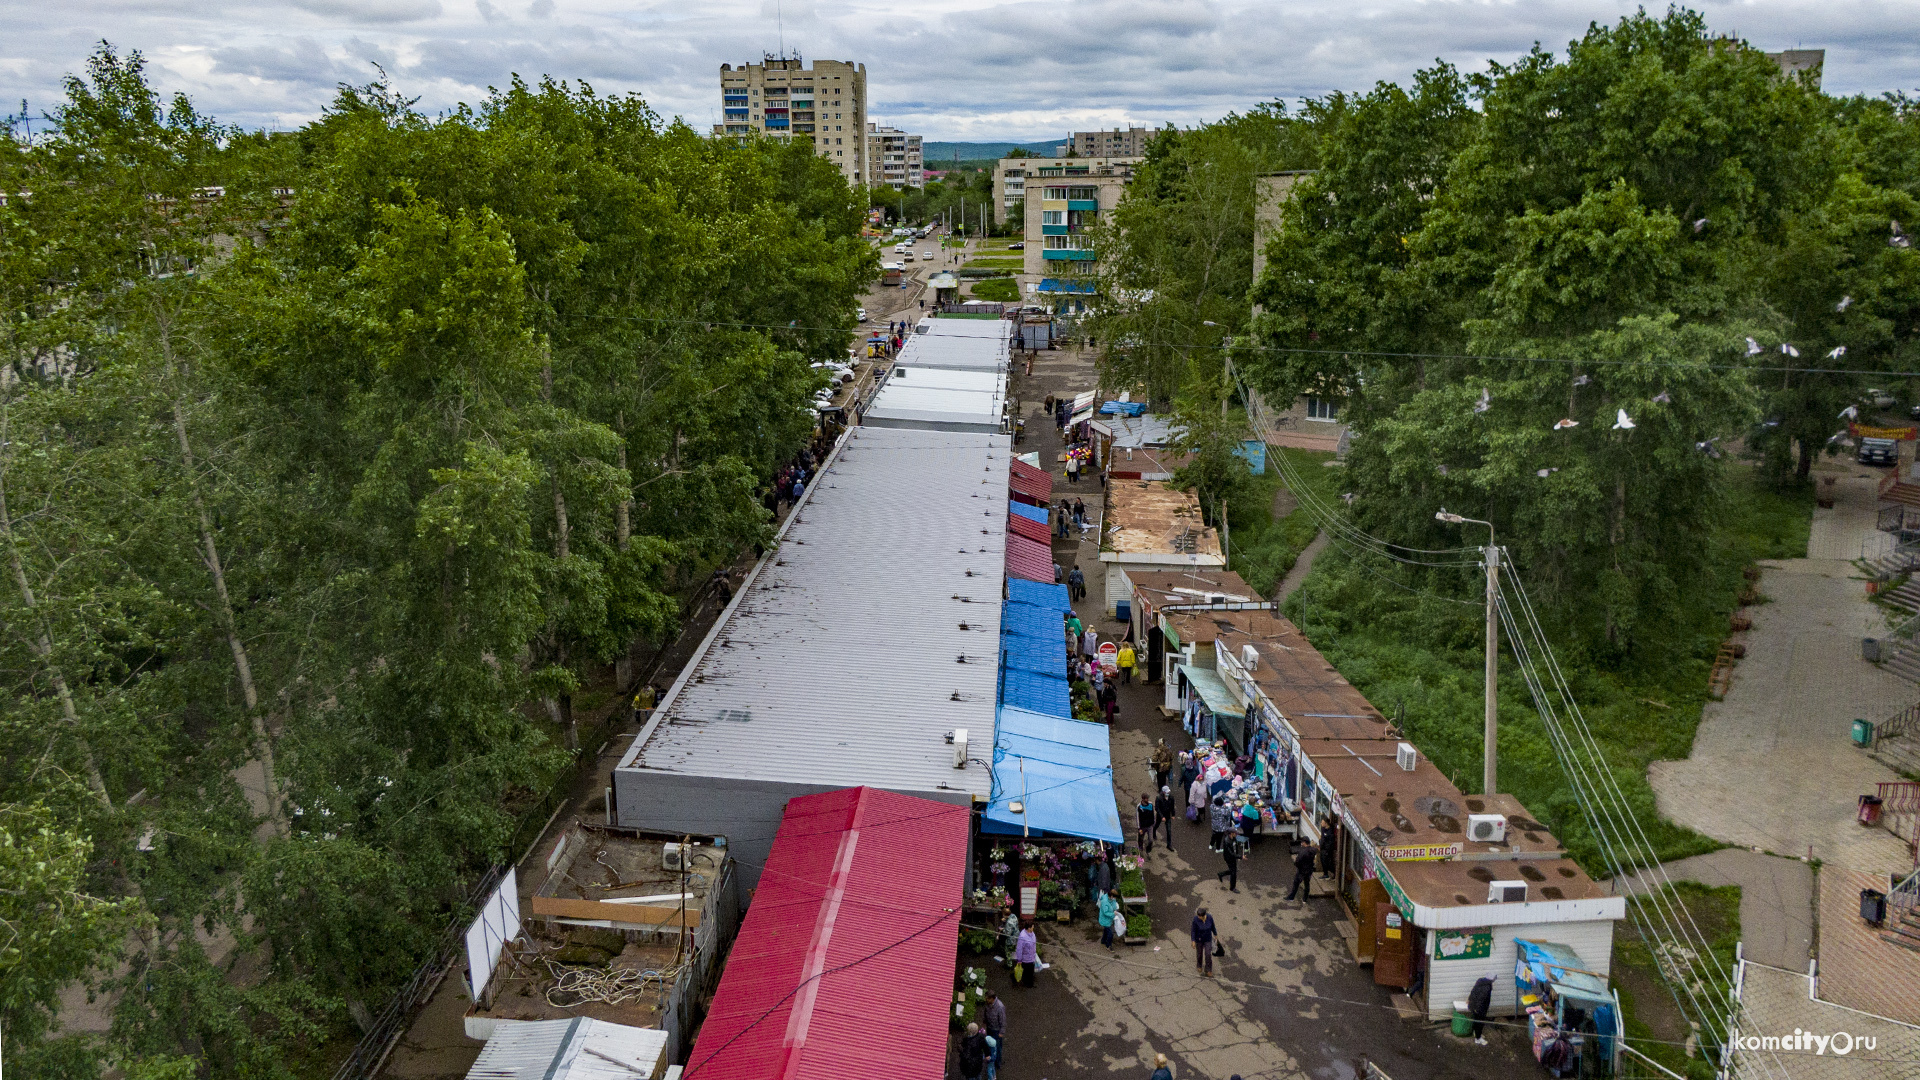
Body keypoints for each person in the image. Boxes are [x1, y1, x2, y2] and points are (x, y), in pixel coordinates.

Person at [979, 990, 1006, 1076]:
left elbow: (1003, 1020)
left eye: (988, 998)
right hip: (990, 1028)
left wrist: (1001, 1032)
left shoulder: (1000, 1007)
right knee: (990, 1045)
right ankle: (991, 1060)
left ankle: (998, 1063)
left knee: (997, 1047)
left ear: (993, 999)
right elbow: (985, 1013)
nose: (986, 1000)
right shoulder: (988, 1005)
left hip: (997, 1030)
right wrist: (984, 1022)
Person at [1468, 974, 1494, 1045]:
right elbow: (1481, 999)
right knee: (1480, 1022)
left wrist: (1470, 1001)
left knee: (1475, 1020)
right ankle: (1478, 1038)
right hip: (1480, 1008)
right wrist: (1478, 1009)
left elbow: (1473, 992)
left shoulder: (1479, 981)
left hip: (1473, 1006)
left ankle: (1475, 1033)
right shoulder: (1487, 987)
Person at [1189, 907, 1217, 976]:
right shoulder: (1195, 920)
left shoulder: (1209, 917)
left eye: (1200, 916)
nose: (1198, 917)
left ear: (1204, 915)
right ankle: (1199, 965)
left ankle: (1209, 969)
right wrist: (1193, 940)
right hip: (1199, 939)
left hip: (1208, 939)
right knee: (1199, 953)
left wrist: (1215, 934)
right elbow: (1193, 931)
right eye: (1198, 915)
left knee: (1208, 954)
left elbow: (1213, 926)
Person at [1013, 920, 1038, 986]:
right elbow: (1019, 949)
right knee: (1027, 972)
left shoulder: (1032, 933)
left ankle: (1030, 982)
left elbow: (1034, 944)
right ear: (1029, 928)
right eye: (1032, 927)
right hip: (1026, 958)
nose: (1033, 928)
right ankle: (1027, 984)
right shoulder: (1022, 937)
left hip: (1032, 957)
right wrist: (1019, 959)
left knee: (1031, 971)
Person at [1155, 785, 1176, 850]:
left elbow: (1172, 807)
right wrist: (1162, 816)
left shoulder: (1171, 797)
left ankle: (1169, 845)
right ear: (1163, 792)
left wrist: (1173, 815)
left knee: (1169, 830)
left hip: (1167, 815)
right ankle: (1153, 831)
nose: (1168, 793)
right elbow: (1157, 808)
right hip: (1160, 815)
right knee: (1157, 825)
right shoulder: (1158, 798)